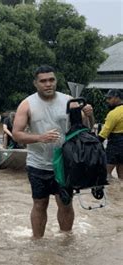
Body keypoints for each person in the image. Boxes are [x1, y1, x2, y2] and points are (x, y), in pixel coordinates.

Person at [13, 65, 94, 239]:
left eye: (51, 80)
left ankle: (66, 240)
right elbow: (17, 134)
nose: (48, 84)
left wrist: (89, 115)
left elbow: (85, 130)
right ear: (36, 83)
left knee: (65, 203)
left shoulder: (69, 101)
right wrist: (40, 137)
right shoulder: (27, 104)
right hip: (38, 163)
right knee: (39, 204)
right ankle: (37, 241)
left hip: (65, 163)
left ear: (56, 81)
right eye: (43, 81)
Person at [98, 89, 123, 180]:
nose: (107, 101)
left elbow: (104, 133)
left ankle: (111, 191)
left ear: (117, 98)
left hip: (115, 146)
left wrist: (95, 143)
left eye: (109, 98)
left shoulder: (113, 114)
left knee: (106, 173)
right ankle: (120, 193)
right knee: (121, 175)